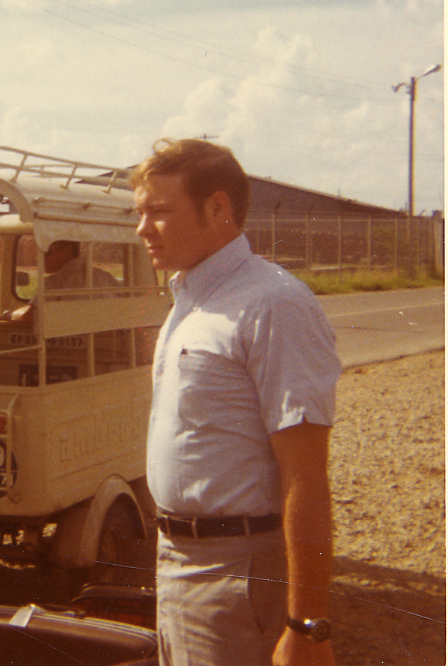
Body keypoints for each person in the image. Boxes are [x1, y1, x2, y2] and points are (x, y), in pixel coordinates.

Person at [131, 139, 340, 666]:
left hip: (237, 571)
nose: (142, 229)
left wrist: (307, 628)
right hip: (177, 559)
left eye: (158, 212)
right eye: (140, 213)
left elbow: (306, 477)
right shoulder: (191, 301)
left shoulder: (274, 304)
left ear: (218, 209)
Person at [6, 239, 118, 323]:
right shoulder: (106, 277)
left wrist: (8, 315)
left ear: (67, 250)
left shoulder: (53, 283)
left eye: (47, 252)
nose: (39, 258)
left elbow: (29, 315)